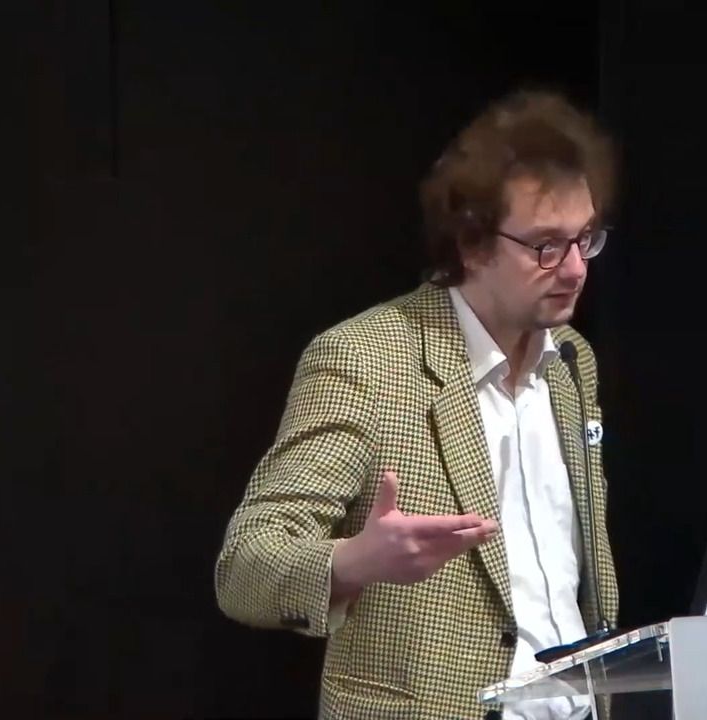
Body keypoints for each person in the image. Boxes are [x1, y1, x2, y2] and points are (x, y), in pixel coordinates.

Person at [214, 89, 620, 720]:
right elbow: (244, 567)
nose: (574, 270)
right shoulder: (368, 360)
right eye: (546, 246)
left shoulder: (572, 362)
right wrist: (354, 561)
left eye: (584, 240)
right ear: (474, 243)